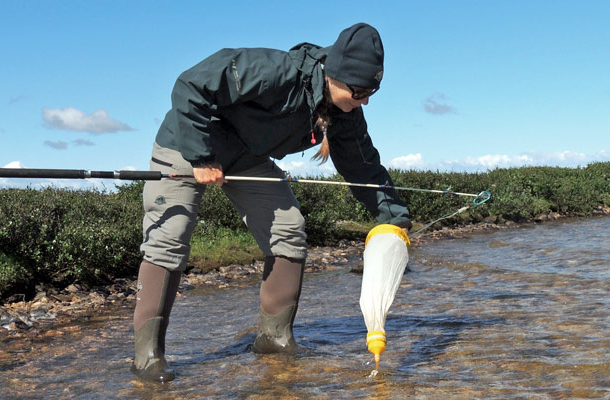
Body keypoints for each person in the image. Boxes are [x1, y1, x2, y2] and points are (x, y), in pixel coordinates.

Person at [131, 23, 412, 382]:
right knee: (170, 238)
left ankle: (273, 340)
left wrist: (395, 217)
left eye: (372, 91)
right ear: (334, 74)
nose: (365, 100)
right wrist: (201, 158)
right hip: (188, 143)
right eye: (359, 91)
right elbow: (190, 85)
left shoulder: (345, 116)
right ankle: (147, 358)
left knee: (289, 229)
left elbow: (364, 168)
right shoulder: (274, 70)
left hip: (245, 155)